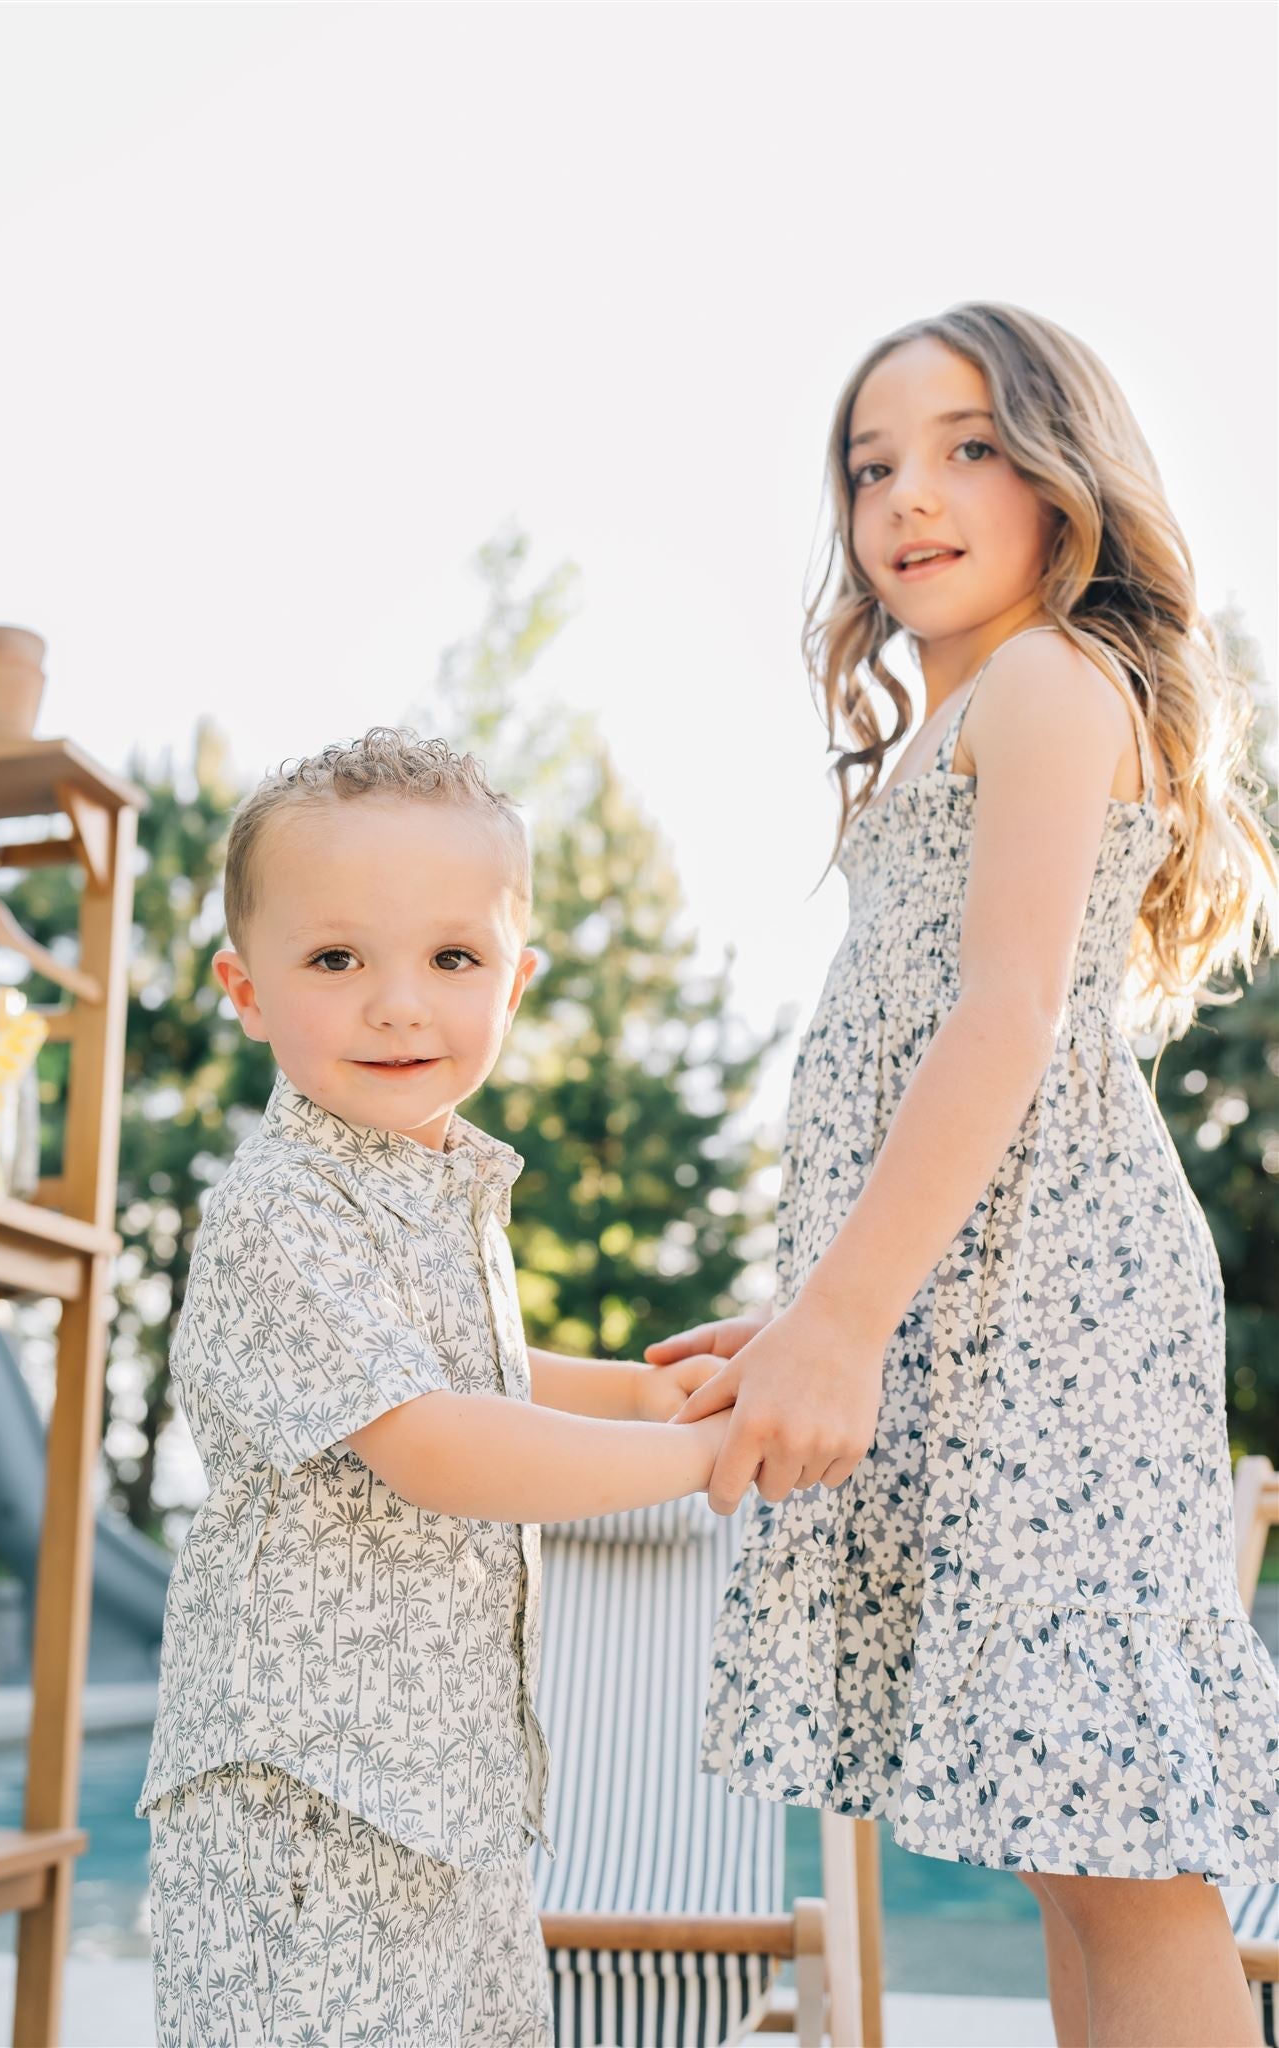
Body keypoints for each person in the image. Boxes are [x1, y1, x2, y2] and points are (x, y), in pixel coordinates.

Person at [648, 302, 1278, 2047]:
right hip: (974, 1293)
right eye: (870, 466)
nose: (908, 496)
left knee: (1122, 1841)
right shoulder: (947, 718)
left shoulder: (1045, 677)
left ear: (1064, 473)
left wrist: (844, 1324)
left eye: (966, 447)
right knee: (1066, 1846)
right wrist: (802, 1310)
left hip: (1059, 1307)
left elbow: (1004, 1025)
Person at [136, 728, 728, 2048]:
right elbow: (434, 1442)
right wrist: (693, 1463)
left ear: (515, 982)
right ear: (246, 989)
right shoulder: (278, 1211)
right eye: (337, 959)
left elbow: (483, 1375)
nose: (399, 1003)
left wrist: (642, 1398)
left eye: (452, 958)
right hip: (306, 1803)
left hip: (450, 1789)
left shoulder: (436, 1187)